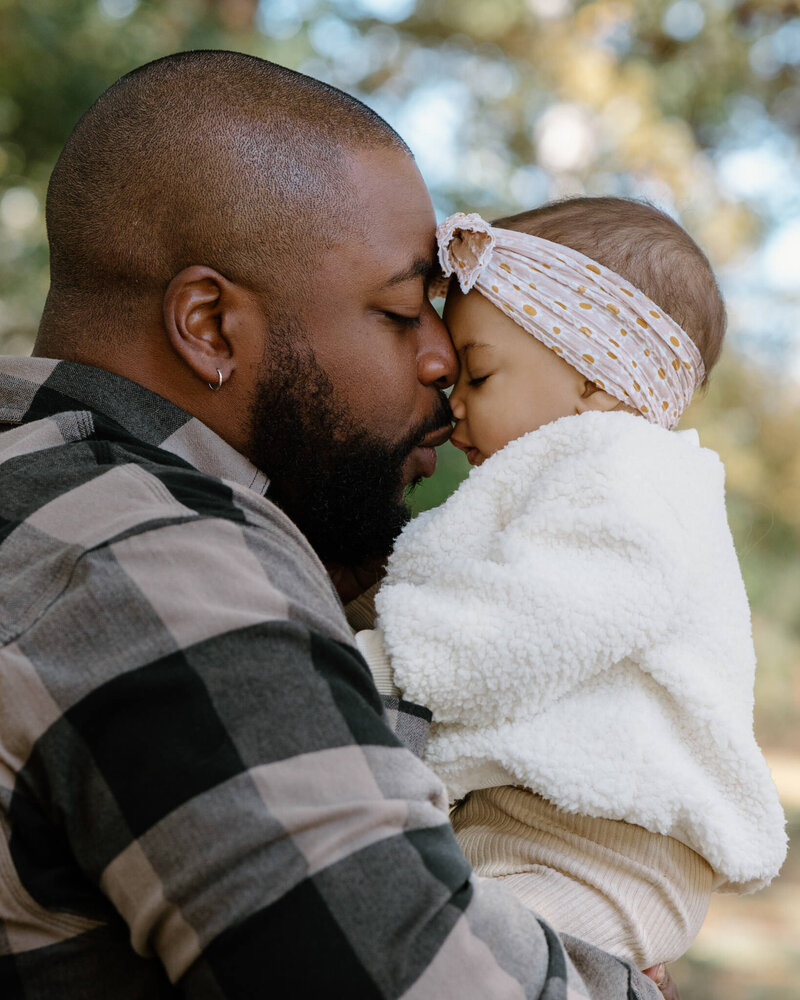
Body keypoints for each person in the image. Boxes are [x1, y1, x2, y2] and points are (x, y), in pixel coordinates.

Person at [0, 51, 668, 999]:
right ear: (209, 325)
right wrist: (625, 982)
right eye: (401, 311)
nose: (445, 356)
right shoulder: (146, 552)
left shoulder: (41, 487)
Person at [357, 200, 787, 971]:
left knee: (434, 968)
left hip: (606, 851)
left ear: (597, 376)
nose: (455, 412)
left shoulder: (631, 473)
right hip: (532, 831)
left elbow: (526, 621)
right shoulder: (568, 474)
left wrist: (373, 667)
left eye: (480, 374)